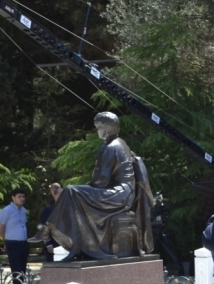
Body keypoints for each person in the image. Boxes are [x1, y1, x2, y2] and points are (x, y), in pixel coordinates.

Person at [33, 111, 153, 260]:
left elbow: (101, 180)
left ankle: (55, 234)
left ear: (107, 128)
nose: (97, 131)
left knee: (71, 191)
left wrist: (87, 187)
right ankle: (71, 243)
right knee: (74, 194)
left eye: (98, 127)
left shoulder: (109, 147)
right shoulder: (122, 143)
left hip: (118, 194)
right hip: (124, 193)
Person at [0, 188, 29, 284]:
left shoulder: (23, 210)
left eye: (23, 196)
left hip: (24, 244)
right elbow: (1, 228)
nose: (22, 199)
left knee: (22, 271)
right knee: (16, 271)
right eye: (19, 196)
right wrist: (7, 240)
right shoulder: (7, 210)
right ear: (13, 197)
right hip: (13, 244)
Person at [39, 183, 62, 262]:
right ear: (55, 196)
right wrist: (48, 244)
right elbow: (43, 227)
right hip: (53, 246)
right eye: (60, 195)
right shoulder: (48, 210)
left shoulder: (69, 210)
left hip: (66, 246)